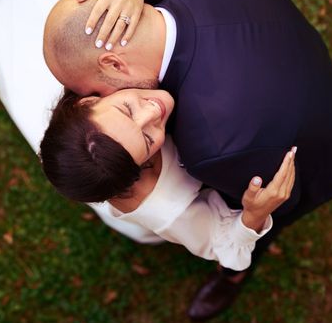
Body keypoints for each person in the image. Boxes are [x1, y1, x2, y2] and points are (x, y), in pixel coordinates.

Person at [42, 0, 332, 321]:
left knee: (271, 214)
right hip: (317, 77)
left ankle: (232, 276)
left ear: (113, 64)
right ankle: (232, 275)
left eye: (100, 94)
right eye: (146, 139)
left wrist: (254, 215)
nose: (154, 110)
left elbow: (245, 215)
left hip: (312, 134)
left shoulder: (215, 142)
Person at [40, 88, 297, 275]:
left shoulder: (94, 85)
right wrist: (255, 213)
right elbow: (226, 248)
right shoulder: (165, 210)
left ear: (88, 101)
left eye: (126, 109)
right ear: (140, 167)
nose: (152, 110)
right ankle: (230, 284)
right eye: (148, 140)